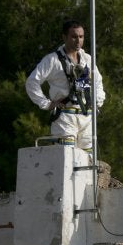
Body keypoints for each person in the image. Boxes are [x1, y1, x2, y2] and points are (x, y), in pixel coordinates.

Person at [25, 19, 105, 151]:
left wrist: (97, 102)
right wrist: (47, 104)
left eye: (81, 36)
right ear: (64, 37)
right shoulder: (52, 60)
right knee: (67, 158)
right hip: (65, 117)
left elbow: (98, 83)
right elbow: (32, 82)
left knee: (88, 160)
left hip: (87, 118)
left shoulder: (88, 59)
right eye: (74, 36)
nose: (78, 40)